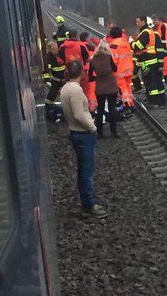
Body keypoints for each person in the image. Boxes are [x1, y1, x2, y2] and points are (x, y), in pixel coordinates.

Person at [60, 61, 107, 218]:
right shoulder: (75, 90)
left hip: (76, 132)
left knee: (83, 171)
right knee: (87, 172)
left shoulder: (66, 88)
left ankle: (87, 202)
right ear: (81, 73)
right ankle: (89, 205)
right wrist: (92, 127)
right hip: (83, 134)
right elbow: (79, 114)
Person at [130, 16, 166, 107]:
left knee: (150, 83)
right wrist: (161, 63)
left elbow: (138, 47)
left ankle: (154, 102)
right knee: (158, 81)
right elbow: (160, 49)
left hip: (147, 63)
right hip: (156, 62)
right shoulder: (155, 33)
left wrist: (131, 42)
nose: (136, 23)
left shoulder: (144, 33)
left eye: (137, 22)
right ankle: (162, 100)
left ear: (143, 22)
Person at [88, 42, 120, 139]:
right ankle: (113, 132)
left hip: (100, 87)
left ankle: (100, 133)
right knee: (112, 108)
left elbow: (90, 77)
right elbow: (114, 69)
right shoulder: (108, 57)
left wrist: (97, 78)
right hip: (111, 85)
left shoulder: (92, 60)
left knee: (100, 109)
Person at [109, 26, 135, 109]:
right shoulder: (125, 42)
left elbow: (114, 59)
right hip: (129, 68)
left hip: (120, 70)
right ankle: (130, 102)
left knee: (122, 88)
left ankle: (126, 103)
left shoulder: (113, 45)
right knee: (128, 86)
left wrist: (112, 69)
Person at [45, 42, 66, 122]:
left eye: (56, 49)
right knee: (52, 95)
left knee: (65, 95)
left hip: (63, 80)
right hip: (56, 80)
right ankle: (48, 110)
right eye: (54, 49)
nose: (56, 50)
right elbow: (50, 68)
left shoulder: (60, 55)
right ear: (50, 50)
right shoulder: (49, 58)